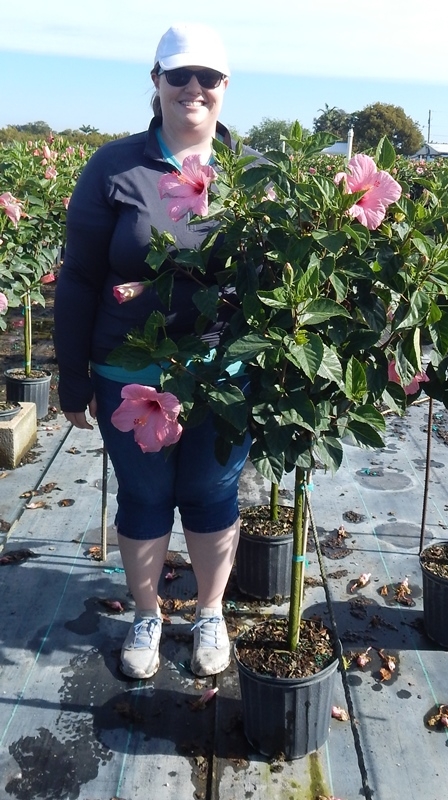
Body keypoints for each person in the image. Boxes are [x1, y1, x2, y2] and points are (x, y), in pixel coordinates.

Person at [54, 23, 257, 680]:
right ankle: (148, 614)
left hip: (222, 373)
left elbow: (275, 281)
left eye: (208, 77)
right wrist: (72, 373)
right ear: (157, 82)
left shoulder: (255, 177)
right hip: (129, 371)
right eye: (179, 75)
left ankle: (209, 612)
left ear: (225, 88)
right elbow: (81, 273)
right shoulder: (114, 166)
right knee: (143, 496)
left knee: (212, 489)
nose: (193, 88)